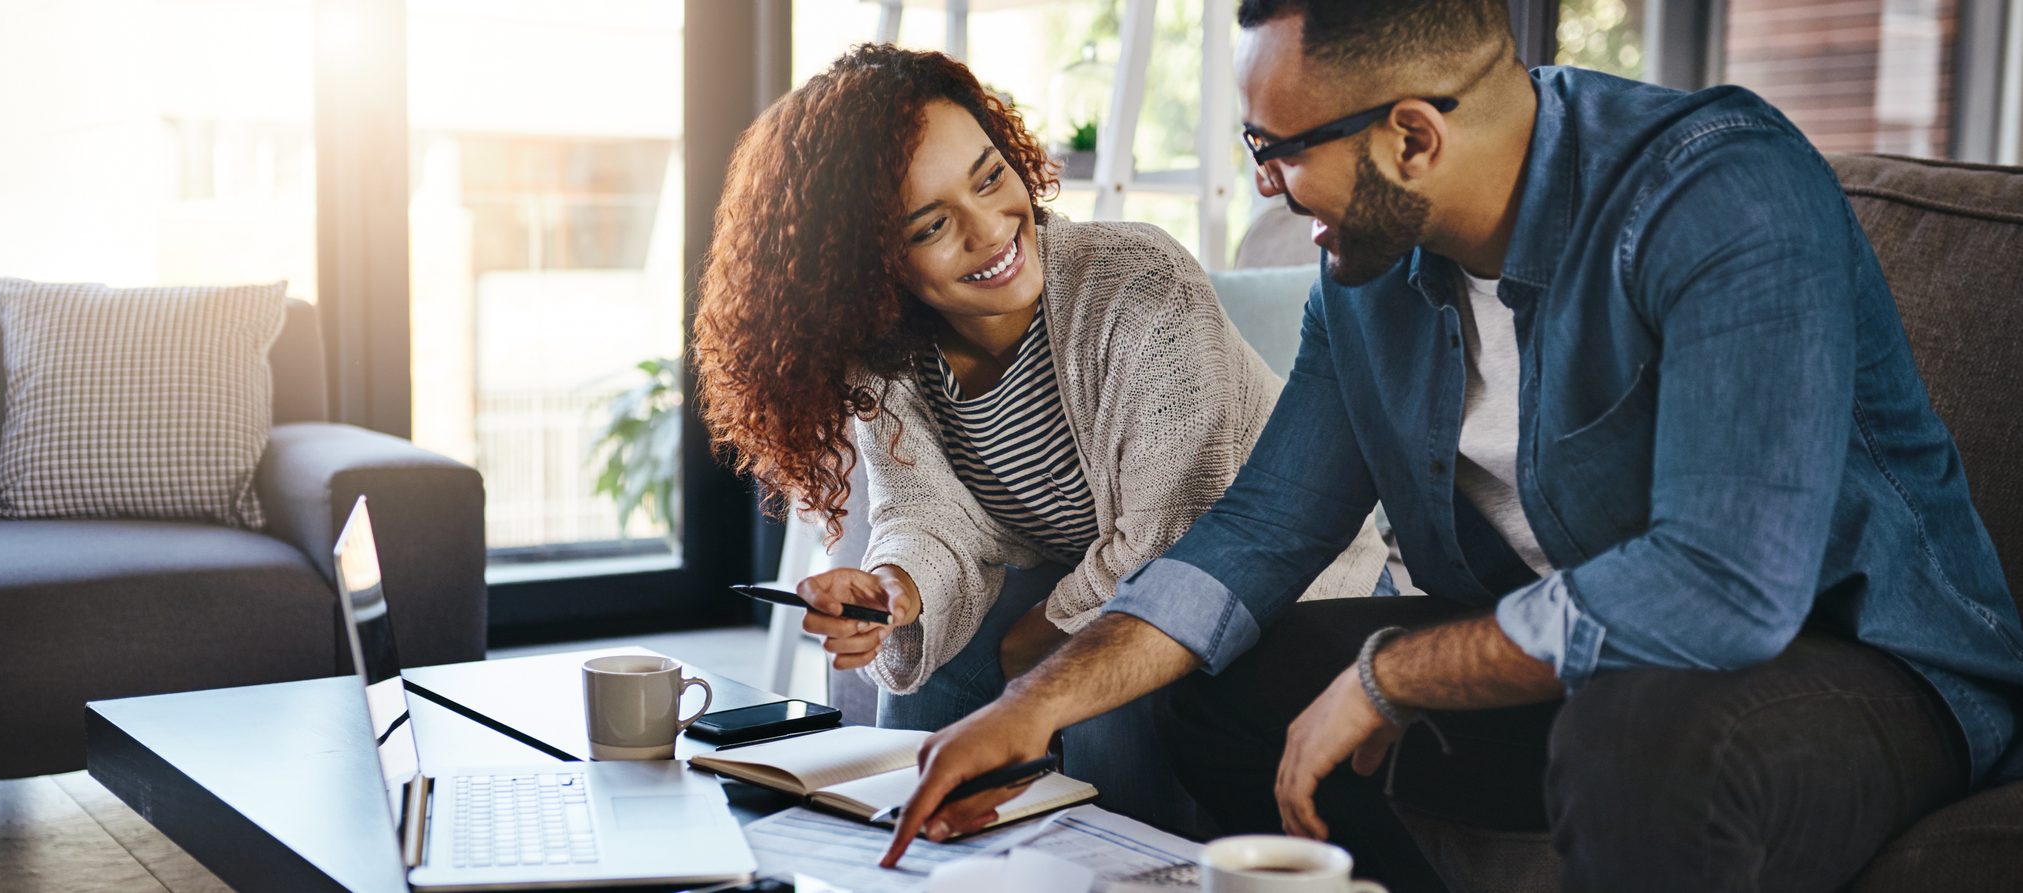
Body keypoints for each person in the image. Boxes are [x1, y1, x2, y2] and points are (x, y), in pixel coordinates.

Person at [881, 1, 2023, 890]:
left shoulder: (1719, 194)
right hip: (1573, 655)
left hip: (1860, 666)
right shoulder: (1366, 275)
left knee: (1638, 732)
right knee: (1214, 685)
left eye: (1273, 147)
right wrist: (1031, 700)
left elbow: (1723, 586)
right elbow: (1259, 533)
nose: (1265, 182)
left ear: (1412, 135)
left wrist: (1391, 676)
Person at [690, 43, 1388, 830]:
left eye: (989, 177)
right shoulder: (887, 356)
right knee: (933, 658)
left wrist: (1038, 651)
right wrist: (894, 588)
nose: (989, 230)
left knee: (1099, 689)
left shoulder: (1137, 285)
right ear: (869, 267)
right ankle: (914, 850)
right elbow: (930, 518)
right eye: (931, 225)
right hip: (1101, 571)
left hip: (1274, 585)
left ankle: (1126, 874)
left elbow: (1171, 544)